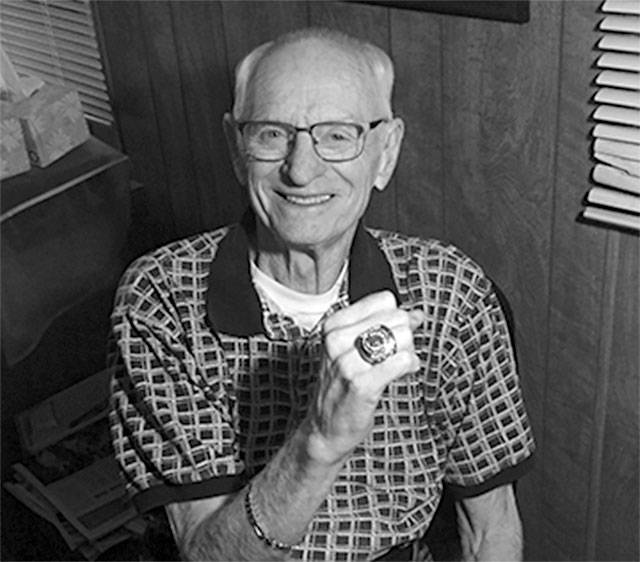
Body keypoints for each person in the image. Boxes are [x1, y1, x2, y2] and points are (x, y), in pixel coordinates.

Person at [109, 27, 535, 562]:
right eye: (271, 134)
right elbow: (206, 553)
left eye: (337, 135)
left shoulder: (453, 292)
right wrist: (320, 443)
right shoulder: (161, 299)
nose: (301, 170)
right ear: (237, 149)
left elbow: (489, 528)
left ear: (385, 153)